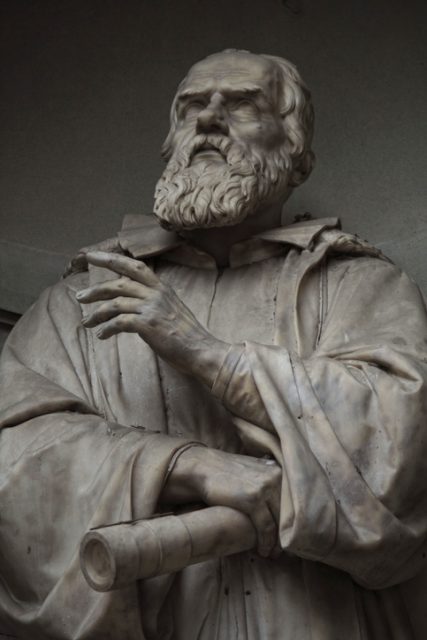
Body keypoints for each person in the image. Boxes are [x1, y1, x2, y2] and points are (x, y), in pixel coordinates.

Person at [0, 49, 427, 639]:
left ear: (296, 150)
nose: (209, 119)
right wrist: (188, 467)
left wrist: (208, 355)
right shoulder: (80, 300)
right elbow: (15, 455)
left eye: (243, 104)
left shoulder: (360, 287)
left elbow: (401, 447)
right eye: (192, 107)